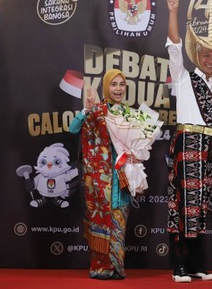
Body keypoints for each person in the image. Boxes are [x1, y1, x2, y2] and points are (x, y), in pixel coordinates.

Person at [165, 0, 212, 283]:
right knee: (183, 205)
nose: (210, 59)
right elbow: (173, 45)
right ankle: (179, 266)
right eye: (206, 54)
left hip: (211, 149)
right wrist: (174, 11)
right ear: (197, 54)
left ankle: (194, 265)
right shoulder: (183, 77)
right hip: (186, 143)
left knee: (201, 207)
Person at [69, 69, 132, 280]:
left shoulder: (129, 114)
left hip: (122, 177)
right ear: (106, 87)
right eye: (113, 84)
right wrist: (85, 111)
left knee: (119, 222)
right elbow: (73, 128)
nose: (118, 89)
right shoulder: (96, 111)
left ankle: (116, 267)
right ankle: (100, 267)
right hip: (99, 180)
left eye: (121, 84)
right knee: (100, 221)